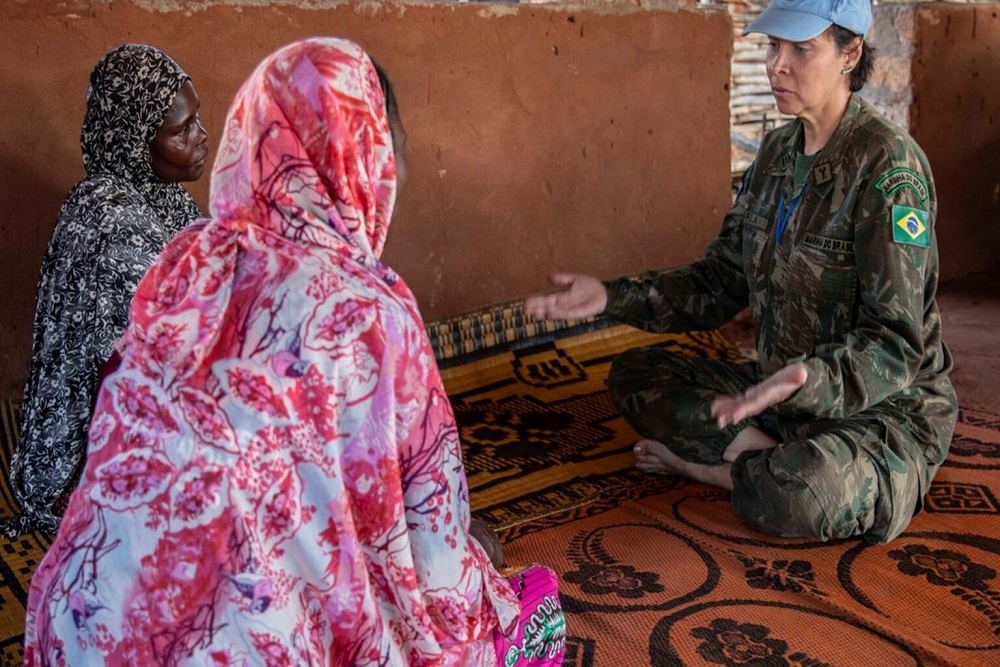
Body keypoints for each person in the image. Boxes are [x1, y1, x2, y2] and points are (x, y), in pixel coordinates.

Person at [23, 38, 565, 666]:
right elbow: (435, 567)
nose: (399, 166)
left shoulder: (185, 262)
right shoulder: (368, 312)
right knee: (531, 608)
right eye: (393, 142)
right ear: (362, 153)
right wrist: (470, 559)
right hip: (242, 647)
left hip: (78, 632)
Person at [525, 0, 956, 545]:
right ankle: (767, 461)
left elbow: (896, 345)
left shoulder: (889, 168)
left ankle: (720, 470)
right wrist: (611, 297)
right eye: (774, 46)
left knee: (807, 493)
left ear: (850, 54)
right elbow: (718, 282)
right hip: (776, 397)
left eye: (801, 49)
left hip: (879, 413)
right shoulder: (775, 155)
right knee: (634, 375)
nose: (777, 65)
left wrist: (810, 380)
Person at [3, 44, 208, 537]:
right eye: (181, 130)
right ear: (135, 141)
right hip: (100, 454)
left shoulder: (162, 198)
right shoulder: (110, 222)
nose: (202, 136)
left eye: (197, 119)